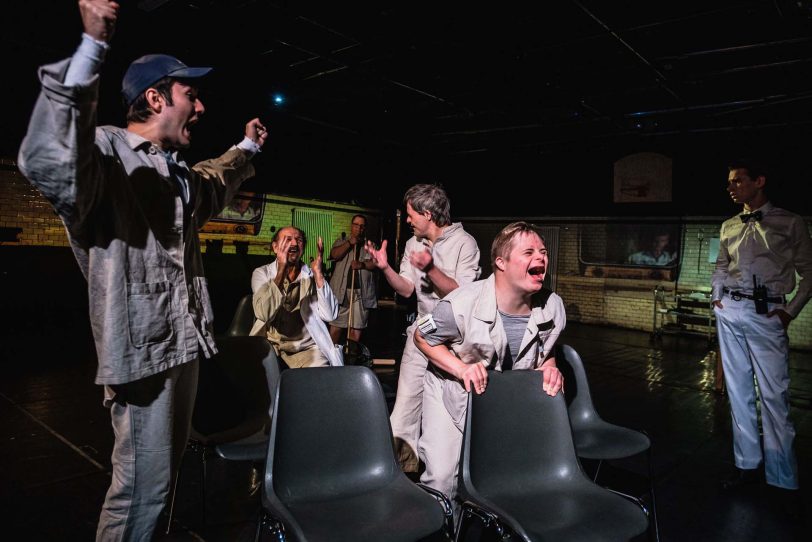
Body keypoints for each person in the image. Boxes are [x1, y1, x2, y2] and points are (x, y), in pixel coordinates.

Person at [16, 2, 268, 539]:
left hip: (183, 344)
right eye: (189, 95)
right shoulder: (107, 155)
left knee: (161, 487)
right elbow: (47, 159)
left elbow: (214, 181)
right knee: (140, 494)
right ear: (155, 98)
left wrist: (246, 148)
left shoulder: (177, 176)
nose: (199, 107)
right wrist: (91, 49)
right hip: (145, 354)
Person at [414, 221, 565, 508]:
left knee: (507, 477)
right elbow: (422, 337)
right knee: (445, 479)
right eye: (529, 252)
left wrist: (550, 365)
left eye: (543, 252)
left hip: (500, 401)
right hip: (450, 393)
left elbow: (546, 348)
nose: (541, 258)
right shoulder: (459, 305)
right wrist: (461, 368)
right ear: (501, 262)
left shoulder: (553, 306)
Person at [712, 159, 812, 506]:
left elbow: (809, 273)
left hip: (768, 312)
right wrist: (716, 299)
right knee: (739, 395)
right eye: (730, 182)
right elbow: (722, 266)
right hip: (731, 312)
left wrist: (789, 312)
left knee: (774, 396)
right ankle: (746, 466)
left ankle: (783, 478)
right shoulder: (728, 225)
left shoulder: (790, 222)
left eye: (738, 181)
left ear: (760, 181)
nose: (732, 187)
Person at [366, 184, 481, 472]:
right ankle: (400, 470)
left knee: (445, 411)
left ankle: (443, 472)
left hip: (454, 343)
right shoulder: (412, 244)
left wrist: (431, 269)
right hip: (421, 333)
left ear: (427, 214)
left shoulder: (464, 244)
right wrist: (385, 269)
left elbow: (464, 298)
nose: (407, 221)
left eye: (410, 215)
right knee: (404, 407)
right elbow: (406, 289)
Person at [251, 226, 343, 368]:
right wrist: (281, 268)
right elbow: (263, 313)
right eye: (288, 239)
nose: (294, 243)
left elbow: (330, 315)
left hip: (305, 349)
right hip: (271, 346)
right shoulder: (262, 273)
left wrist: (318, 275)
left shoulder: (311, 276)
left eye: (298, 240)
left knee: (322, 379)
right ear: (275, 247)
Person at [328, 214, 378, 344]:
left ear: (364, 228)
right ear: (351, 226)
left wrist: (362, 265)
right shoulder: (341, 241)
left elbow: (376, 263)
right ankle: (331, 359)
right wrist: (350, 243)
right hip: (341, 292)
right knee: (336, 326)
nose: (359, 228)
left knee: (356, 329)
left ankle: (351, 357)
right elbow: (334, 255)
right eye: (356, 225)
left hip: (361, 294)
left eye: (362, 226)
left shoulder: (370, 245)